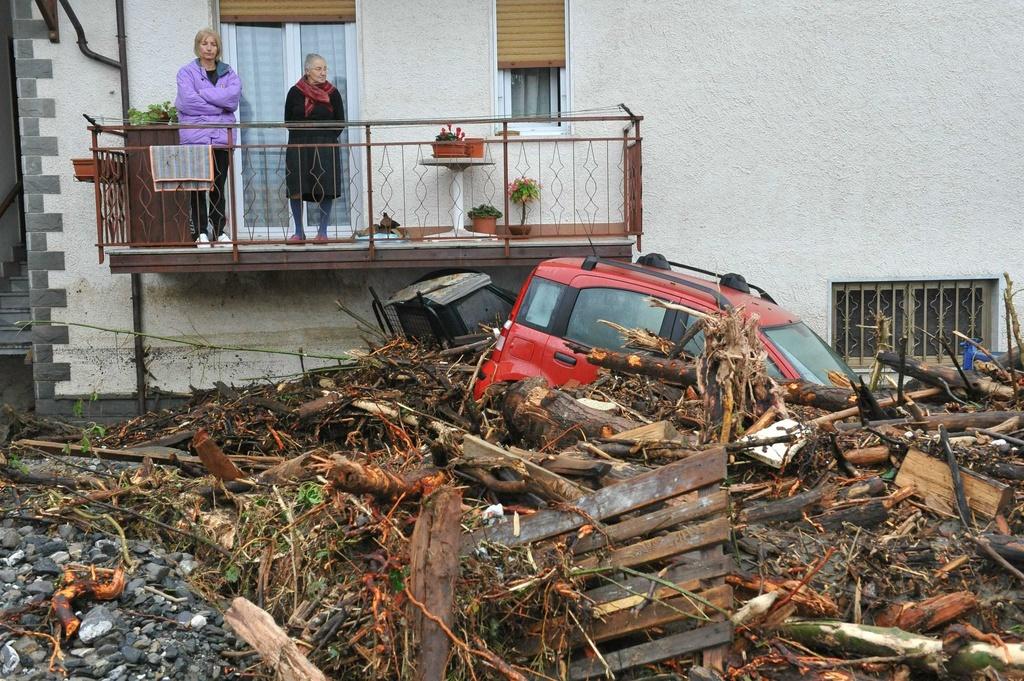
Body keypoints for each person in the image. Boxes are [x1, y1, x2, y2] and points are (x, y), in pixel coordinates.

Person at [174, 28, 241, 246]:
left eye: (213, 44)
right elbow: (186, 102)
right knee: (198, 187)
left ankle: (220, 230)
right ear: (198, 47)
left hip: (221, 139)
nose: (209, 48)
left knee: (218, 187)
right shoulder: (186, 73)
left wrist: (203, 94)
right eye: (205, 43)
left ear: (218, 48)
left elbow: (232, 101)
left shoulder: (228, 73)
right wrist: (218, 106)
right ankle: (200, 232)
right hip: (196, 139)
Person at [284, 53, 345, 243]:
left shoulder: (333, 93)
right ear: (307, 70)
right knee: (297, 186)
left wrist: (324, 137)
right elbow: (288, 120)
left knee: (326, 187)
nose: (323, 72)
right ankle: (299, 232)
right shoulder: (295, 92)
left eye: (325, 68)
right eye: (318, 68)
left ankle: (323, 232)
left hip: (325, 146)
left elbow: (340, 122)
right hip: (299, 145)